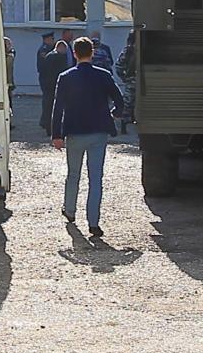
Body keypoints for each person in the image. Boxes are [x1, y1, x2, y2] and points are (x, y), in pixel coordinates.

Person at [51, 37, 125, 238]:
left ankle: (70, 210)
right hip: (98, 131)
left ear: (74, 53)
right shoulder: (103, 75)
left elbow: (58, 108)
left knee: (73, 174)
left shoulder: (66, 77)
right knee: (95, 178)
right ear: (92, 52)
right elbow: (120, 100)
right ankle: (93, 222)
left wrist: (56, 134)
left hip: (74, 131)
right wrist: (114, 113)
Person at [115, 34, 137, 133]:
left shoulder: (128, 50)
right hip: (134, 81)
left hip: (132, 81)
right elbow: (119, 66)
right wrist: (125, 78)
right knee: (128, 104)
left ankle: (125, 125)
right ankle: (124, 125)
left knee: (128, 104)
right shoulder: (129, 51)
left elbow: (119, 66)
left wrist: (125, 78)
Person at [36, 31, 55, 132]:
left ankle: (45, 121)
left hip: (47, 78)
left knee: (48, 101)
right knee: (48, 101)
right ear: (46, 39)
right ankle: (46, 122)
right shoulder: (44, 50)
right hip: (47, 79)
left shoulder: (48, 49)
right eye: (52, 39)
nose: (53, 41)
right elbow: (45, 65)